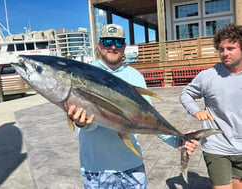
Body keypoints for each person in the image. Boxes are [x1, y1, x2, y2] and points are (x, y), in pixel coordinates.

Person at [68, 24, 198, 188]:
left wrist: (176, 140)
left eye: (118, 42)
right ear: (99, 45)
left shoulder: (135, 76)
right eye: (108, 41)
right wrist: (81, 123)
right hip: (97, 169)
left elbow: (147, 118)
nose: (113, 46)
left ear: (124, 47)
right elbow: (88, 124)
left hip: (132, 167)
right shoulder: (85, 71)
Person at [179, 23, 242, 189]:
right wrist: (196, 110)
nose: (224, 53)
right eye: (221, 49)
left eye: (230, 48)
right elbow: (185, 94)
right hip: (217, 146)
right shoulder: (208, 76)